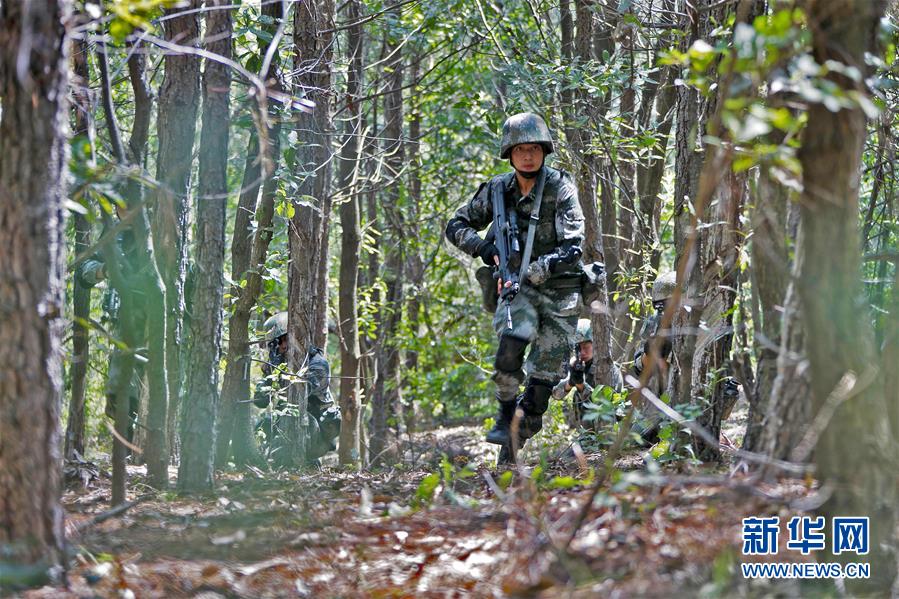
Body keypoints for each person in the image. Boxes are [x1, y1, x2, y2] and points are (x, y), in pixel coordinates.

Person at [445, 112, 585, 462]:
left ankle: (515, 436)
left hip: (559, 292)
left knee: (540, 388)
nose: (527, 155)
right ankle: (505, 417)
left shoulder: (560, 187)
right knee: (510, 347)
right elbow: (456, 224)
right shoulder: (496, 191)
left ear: (544, 151)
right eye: (520, 149)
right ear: (509, 152)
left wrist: (541, 267)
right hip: (515, 289)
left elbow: (574, 244)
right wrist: (483, 248)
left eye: (534, 148)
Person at [253, 312, 341, 465]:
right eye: (274, 344)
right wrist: (269, 376)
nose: (279, 348)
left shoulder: (317, 364)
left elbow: (300, 394)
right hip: (284, 426)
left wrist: (279, 373)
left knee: (300, 418)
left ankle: (309, 463)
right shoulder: (277, 363)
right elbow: (260, 402)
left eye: (280, 342)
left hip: (314, 433)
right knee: (263, 424)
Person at [552, 319, 623, 429]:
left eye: (586, 347)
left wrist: (581, 386)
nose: (582, 352)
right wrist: (569, 383)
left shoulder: (608, 370)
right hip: (585, 434)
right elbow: (556, 394)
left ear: (596, 345)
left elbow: (602, 409)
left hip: (606, 433)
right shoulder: (577, 365)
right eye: (578, 348)